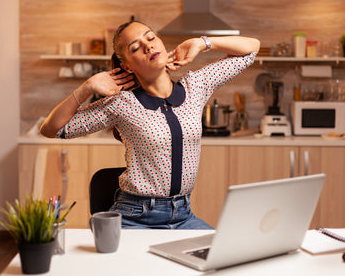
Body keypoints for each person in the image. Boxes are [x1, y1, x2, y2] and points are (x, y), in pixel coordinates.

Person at [40, 20, 260, 229]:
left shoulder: (196, 86)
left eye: (151, 37)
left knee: (219, 263)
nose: (148, 46)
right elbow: (53, 129)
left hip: (184, 217)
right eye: (136, 47)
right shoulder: (121, 104)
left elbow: (251, 49)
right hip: (135, 218)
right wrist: (87, 87)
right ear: (126, 65)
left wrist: (202, 43)